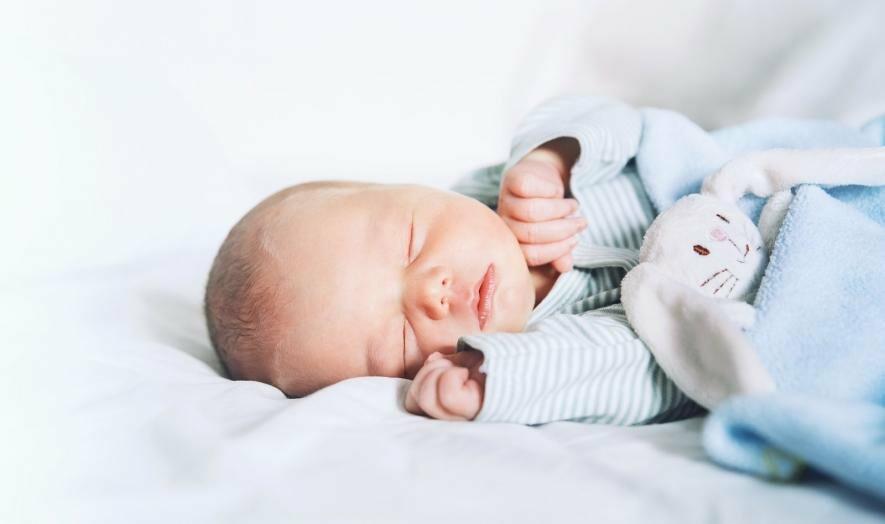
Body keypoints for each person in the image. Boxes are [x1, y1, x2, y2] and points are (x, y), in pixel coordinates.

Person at [204, 96, 715, 424]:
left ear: (413, 189)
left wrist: (551, 157)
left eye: (409, 242)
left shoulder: (494, 190)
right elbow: (661, 371)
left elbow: (619, 120)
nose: (431, 291)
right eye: (399, 339)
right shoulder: (538, 351)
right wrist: (494, 382)